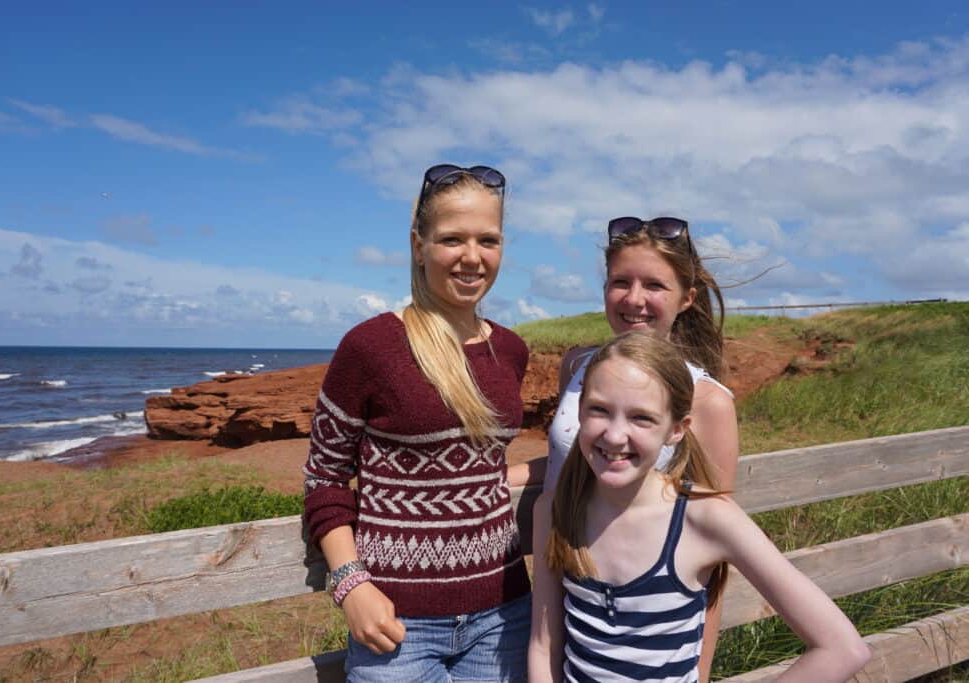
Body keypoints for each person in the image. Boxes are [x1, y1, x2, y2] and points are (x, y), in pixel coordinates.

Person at [527, 334, 870, 682]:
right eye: (599, 409)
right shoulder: (557, 509)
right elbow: (544, 644)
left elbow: (842, 648)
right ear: (579, 412)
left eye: (641, 418)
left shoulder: (704, 517)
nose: (615, 436)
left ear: (676, 430)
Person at [303, 164, 532, 682]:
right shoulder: (371, 347)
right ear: (418, 245)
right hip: (395, 625)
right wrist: (350, 585)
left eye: (487, 240)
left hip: (505, 614)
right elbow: (325, 479)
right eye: (452, 239)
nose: (472, 257)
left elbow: (481, 466)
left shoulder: (511, 351)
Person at [508, 216, 738, 679]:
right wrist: (500, 477)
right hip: (566, 589)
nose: (634, 299)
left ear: (686, 298)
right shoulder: (579, 365)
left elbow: (714, 557)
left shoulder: (707, 401)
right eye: (620, 282)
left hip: (642, 621)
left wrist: (700, 672)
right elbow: (574, 456)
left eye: (654, 284)